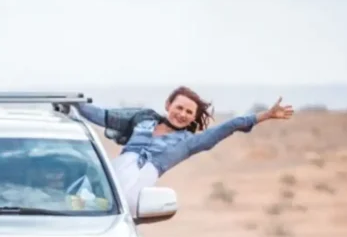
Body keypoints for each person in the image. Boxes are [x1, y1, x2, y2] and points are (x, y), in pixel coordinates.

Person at [71, 86, 294, 215]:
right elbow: (102, 116)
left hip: (131, 192)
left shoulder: (189, 142)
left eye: (189, 112)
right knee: (75, 193)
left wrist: (264, 116)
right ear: (168, 105)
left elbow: (230, 125)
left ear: (193, 118)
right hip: (109, 177)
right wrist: (74, 102)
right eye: (179, 107)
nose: (182, 114)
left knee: (104, 208)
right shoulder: (143, 118)